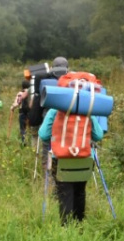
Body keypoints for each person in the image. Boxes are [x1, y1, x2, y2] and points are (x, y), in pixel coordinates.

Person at [38, 91, 103, 225]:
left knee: (64, 193)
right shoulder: (87, 110)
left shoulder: (54, 111)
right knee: (80, 192)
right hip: (85, 159)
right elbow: (98, 136)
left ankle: (66, 228)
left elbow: (43, 135)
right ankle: (79, 225)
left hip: (62, 159)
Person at [11, 79, 30, 143]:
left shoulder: (20, 93)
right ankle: (30, 141)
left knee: (22, 128)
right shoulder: (31, 93)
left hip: (22, 112)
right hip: (30, 113)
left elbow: (17, 103)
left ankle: (24, 142)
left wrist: (12, 107)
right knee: (30, 128)